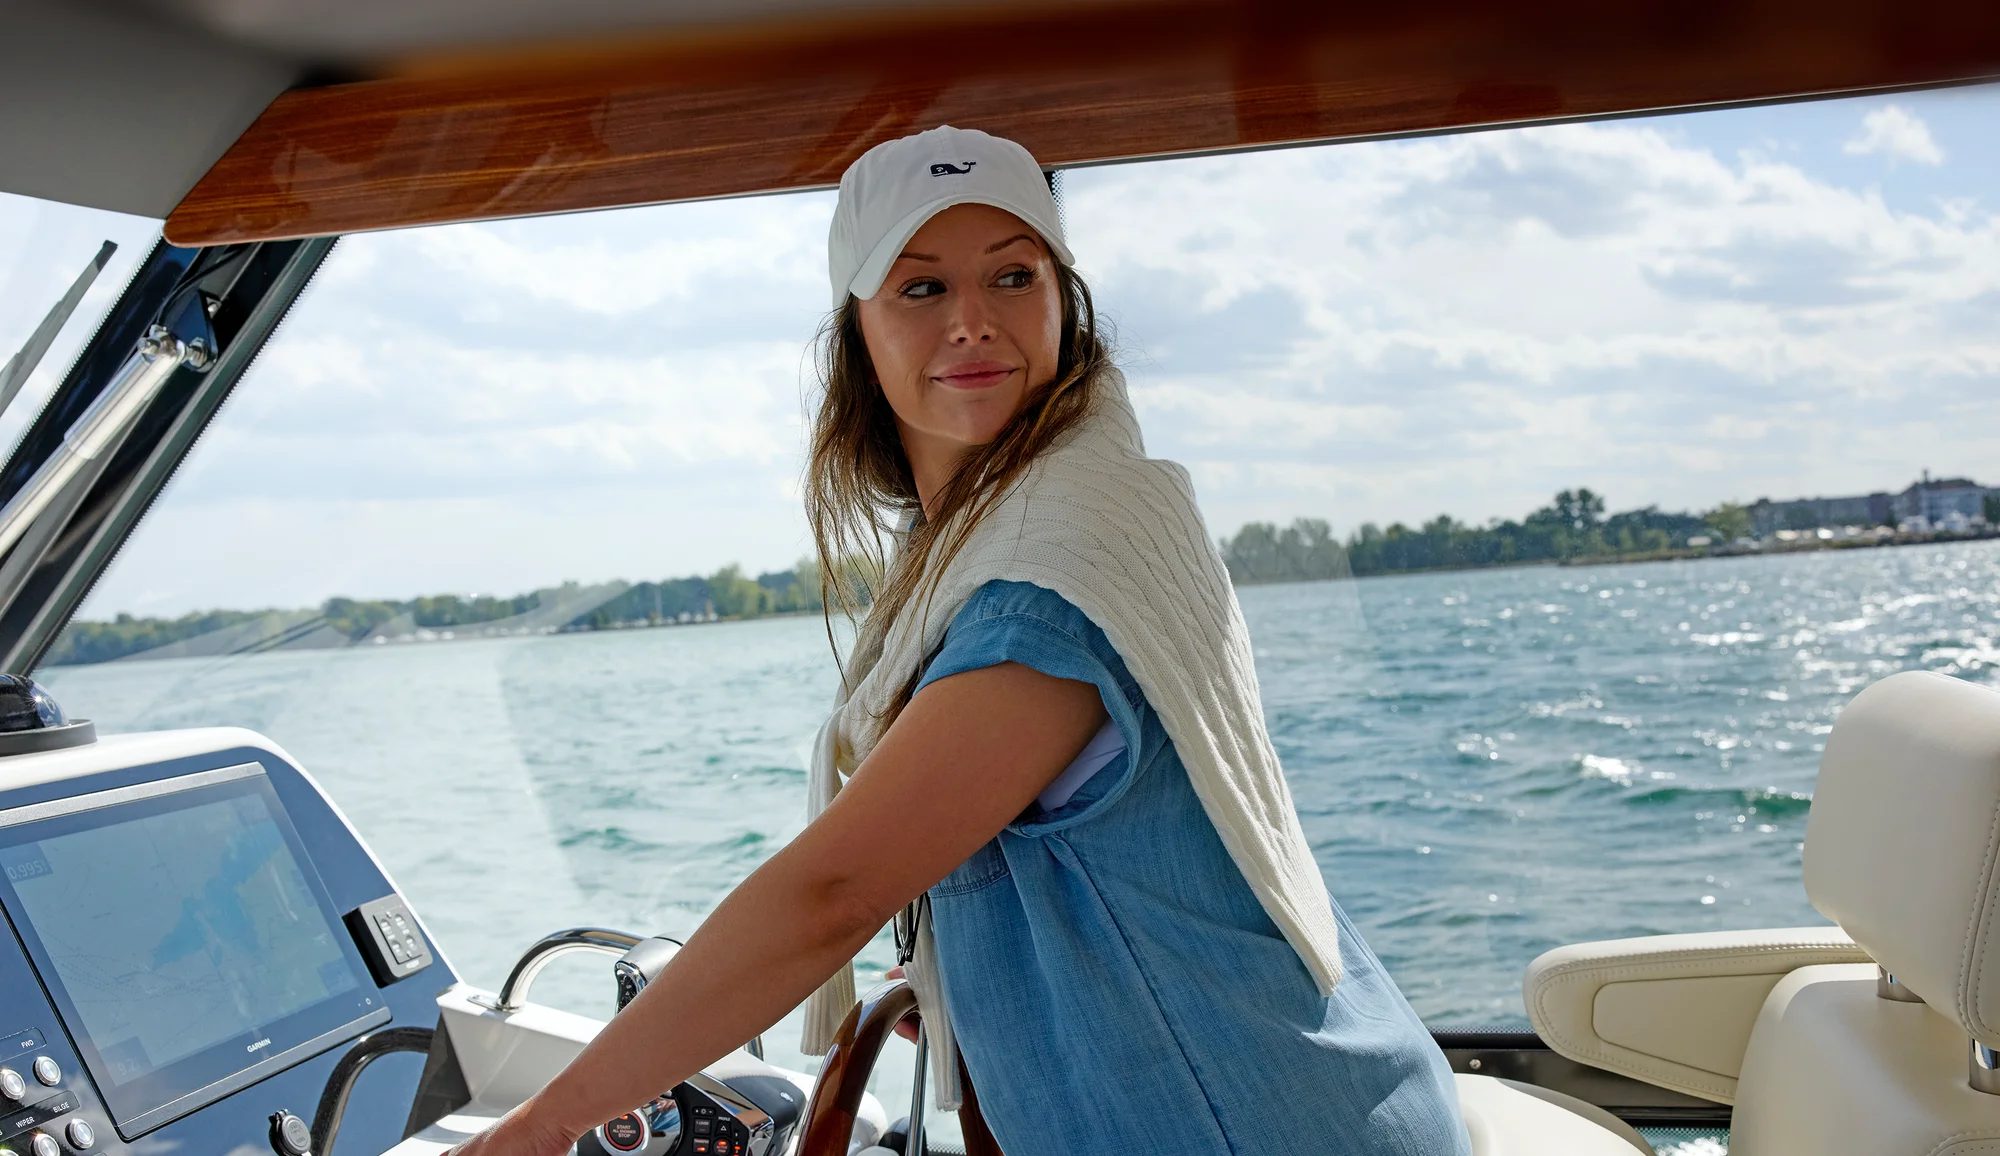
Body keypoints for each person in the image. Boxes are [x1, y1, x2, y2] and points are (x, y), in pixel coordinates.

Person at [452, 126, 1468, 1156]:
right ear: (858, 328)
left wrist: (536, 1127)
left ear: (1061, 301)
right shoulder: (1024, 529)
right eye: (922, 288)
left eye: (1012, 275)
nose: (974, 322)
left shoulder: (1047, 589)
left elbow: (831, 896)